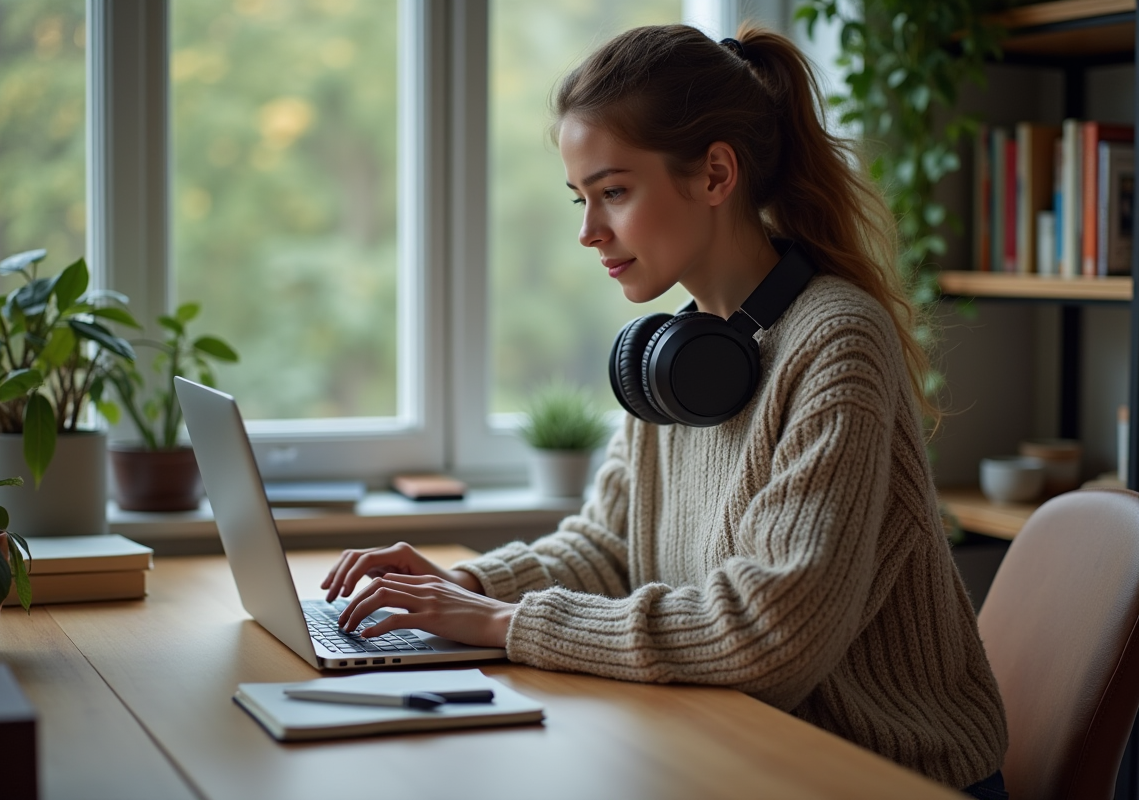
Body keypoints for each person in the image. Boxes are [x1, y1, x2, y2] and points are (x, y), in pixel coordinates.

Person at [321, 23, 1008, 797]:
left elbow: (771, 634)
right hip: (734, 753)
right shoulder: (679, 356)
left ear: (716, 174)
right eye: (582, 198)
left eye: (613, 192)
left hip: (874, 775)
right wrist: (465, 589)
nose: (588, 232)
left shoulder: (836, 340)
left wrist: (506, 626)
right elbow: (609, 549)